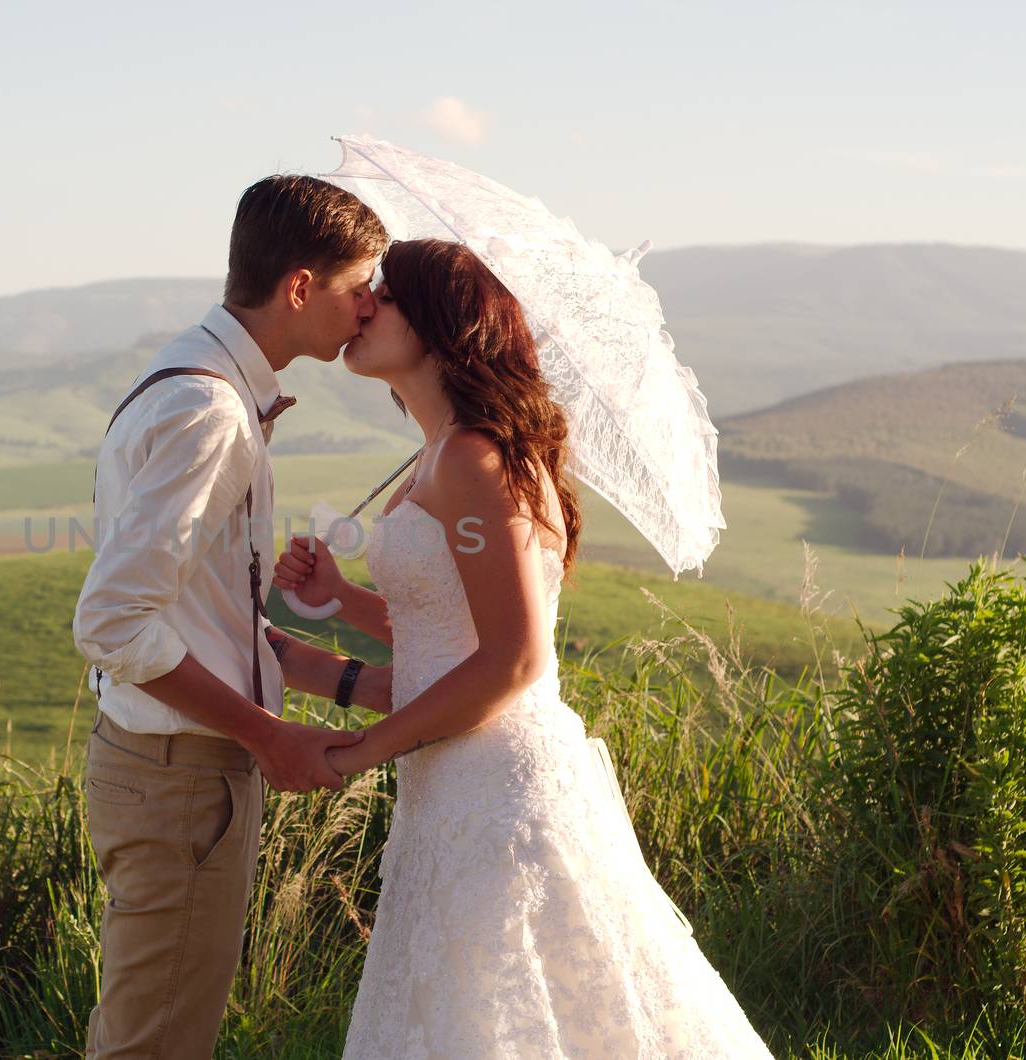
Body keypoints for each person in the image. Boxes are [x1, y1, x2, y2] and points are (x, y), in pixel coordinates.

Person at [270, 238, 776, 1058]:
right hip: (452, 785)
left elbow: (513, 661)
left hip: (496, 791)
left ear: (441, 325)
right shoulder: (439, 454)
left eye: (386, 295)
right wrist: (339, 602)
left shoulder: (474, 458)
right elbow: (450, 634)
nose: (364, 304)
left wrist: (364, 751)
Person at [70, 174, 394, 1059]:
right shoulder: (211, 411)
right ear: (299, 288)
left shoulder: (199, 380)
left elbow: (202, 619)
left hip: (172, 767)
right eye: (358, 285)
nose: (369, 307)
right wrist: (267, 736)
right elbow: (112, 623)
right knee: (156, 1046)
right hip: (182, 778)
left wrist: (359, 685)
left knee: (156, 1033)